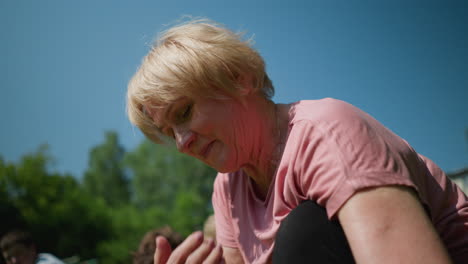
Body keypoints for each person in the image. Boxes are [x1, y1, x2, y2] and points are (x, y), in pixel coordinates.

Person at [126, 19, 468, 264]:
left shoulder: (327, 132)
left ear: (238, 78)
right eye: (170, 132)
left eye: (184, 112)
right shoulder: (227, 190)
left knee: (306, 230)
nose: (182, 143)